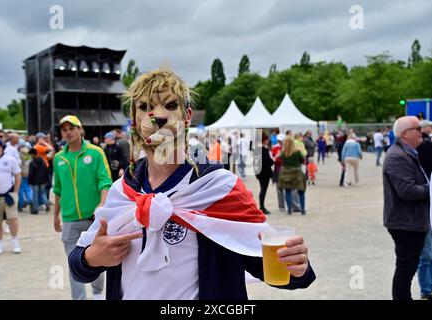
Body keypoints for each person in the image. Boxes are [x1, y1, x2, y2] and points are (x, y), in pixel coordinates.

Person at [68, 69, 315, 300]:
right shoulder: (122, 191)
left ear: (186, 116)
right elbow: (79, 264)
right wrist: (91, 258)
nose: (158, 116)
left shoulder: (219, 188)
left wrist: (297, 267)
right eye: (145, 107)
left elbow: (270, 266)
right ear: (134, 119)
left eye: (170, 105)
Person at [53, 115, 113, 300]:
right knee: (74, 264)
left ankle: (97, 293)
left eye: (72, 128)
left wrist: (101, 206)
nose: (68, 132)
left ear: (80, 130)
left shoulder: (95, 153)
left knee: (96, 258)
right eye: (64, 129)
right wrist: (55, 215)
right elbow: (58, 189)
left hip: (93, 219)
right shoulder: (59, 158)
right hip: (70, 220)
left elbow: (105, 181)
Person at [383, 116, 430, 300]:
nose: (422, 131)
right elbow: (407, 190)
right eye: (417, 128)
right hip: (405, 222)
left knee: (407, 266)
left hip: (410, 220)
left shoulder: (407, 153)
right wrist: (431, 189)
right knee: (405, 268)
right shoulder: (397, 156)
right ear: (405, 134)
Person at [416, 120, 432, 300]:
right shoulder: (422, 148)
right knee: (427, 254)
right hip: (424, 211)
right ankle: (426, 289)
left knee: (429, 254)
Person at [278, 137, 307, 215]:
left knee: (287, 191)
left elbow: (279, 159)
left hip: (286, 174)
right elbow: (302, 161)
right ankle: (303, 209)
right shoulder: (297, 152)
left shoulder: (283, 153)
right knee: (301, 192)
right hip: (296, 173)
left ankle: (289, 209)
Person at [254, 134, 274, 215]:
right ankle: (262, 206)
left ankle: (262, 205)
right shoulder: (264, 150)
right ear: (264, 140)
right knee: (263, 190)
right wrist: (273, 160)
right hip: (265, 173)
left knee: (262, 189)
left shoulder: (256, 149)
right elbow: (268, 162)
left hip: (259, 173)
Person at [28, 148, 49, 214]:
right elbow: (46, 170)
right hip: (43, 180)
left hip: (34, 181)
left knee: (35, 195)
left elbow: (31, 173)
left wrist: (29, 181)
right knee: (43, 193)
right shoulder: (42, 161)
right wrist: (46, 179)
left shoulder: (32, 163)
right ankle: (47, 204)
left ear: (32, 154)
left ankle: (35, 209)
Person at [271, 134, 285, 212]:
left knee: (287, 189)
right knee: (279, 189)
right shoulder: (275, 148)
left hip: (285, 170)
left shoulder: (286, 148)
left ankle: (289, 205)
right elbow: (273, 159)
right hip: (277, 170)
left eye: (281, 141)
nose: (279, 142)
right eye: (279, 140)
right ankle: (281, 206)